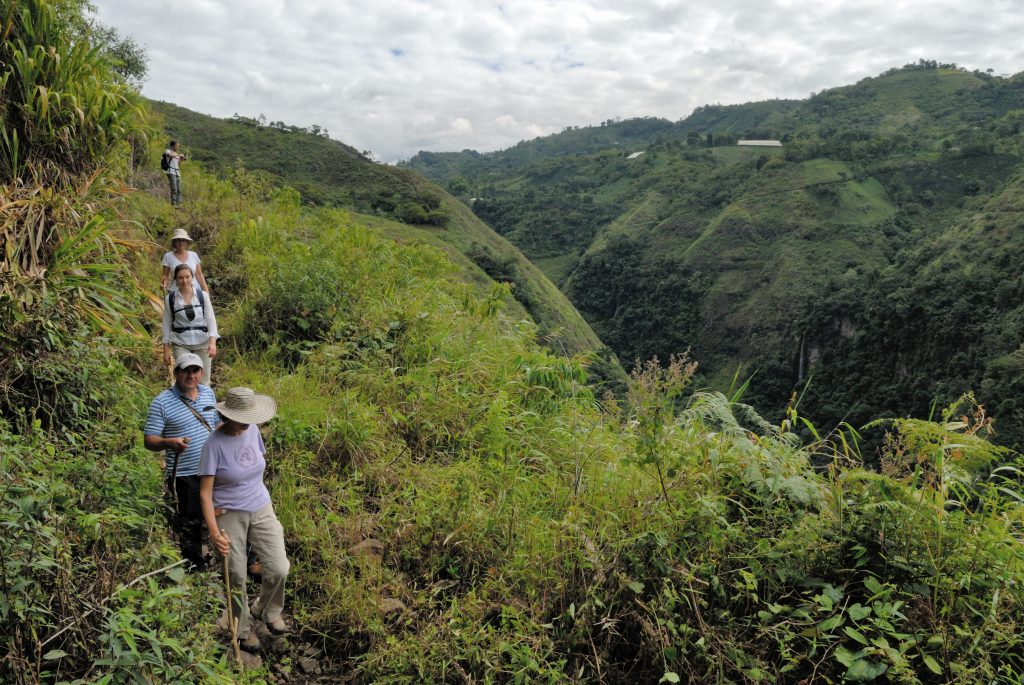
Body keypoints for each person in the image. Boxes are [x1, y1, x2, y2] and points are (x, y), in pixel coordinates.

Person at [200, 387, 289, 652]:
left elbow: (256, 467)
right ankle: (241, 625)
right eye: (242, 418)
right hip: (228, 513)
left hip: (261, 506)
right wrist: (215, 533)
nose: (247, 423)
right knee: (235, 574)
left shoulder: (252, 431)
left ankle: (266, 608)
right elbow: (205, 494)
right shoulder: (213, 445)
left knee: (279, 567)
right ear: (227, 416)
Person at [143, 353, 219, 571]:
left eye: (195, 370)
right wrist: (169, 442)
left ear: (202, 373)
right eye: (186, 370)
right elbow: (149, 440)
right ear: (176, 372)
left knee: (225, 512)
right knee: (190, 523)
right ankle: (195, 571)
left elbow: (216, 424)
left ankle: (229, 559)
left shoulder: (208, 393)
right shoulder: (162, 402)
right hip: (185, 475)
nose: (191, 375)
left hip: (213, 470)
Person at [163, 264, 219, 381]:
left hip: (202, 341)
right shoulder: (170, 299)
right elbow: (166, 325)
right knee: (183, 379)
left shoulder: (202, 296)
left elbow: (210, 320)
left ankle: (205, 399)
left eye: (187, 277)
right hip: (181, 343)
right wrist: (166, 350)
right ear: (176, 279)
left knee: (203, 379)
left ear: (192, 277)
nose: (184, 280)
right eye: (180, 278)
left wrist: (212, 342)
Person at [161, 228, 209, 293]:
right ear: (174, 242)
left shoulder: (194, 255)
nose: (181, 243)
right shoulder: (168, 256)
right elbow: (165, 275)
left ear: (186, 242)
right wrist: (164, 284)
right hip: (175, 292)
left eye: (183, 240)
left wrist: (206, 290)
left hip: (194, 291)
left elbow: (199, 274)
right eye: (178, 240)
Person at [164, 140, 186, 206]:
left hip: (177, 172)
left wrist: (180, 160)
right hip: (171, 172)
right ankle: (174, 204)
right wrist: (178, 155)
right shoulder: (168, 151)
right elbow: (171, 155)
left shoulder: (176, 155)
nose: (177, 147)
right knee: (174, 189)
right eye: (176, 146)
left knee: (179, 189)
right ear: (172, 146)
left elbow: (177, 164)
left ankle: (179, 204)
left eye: (178, 146)